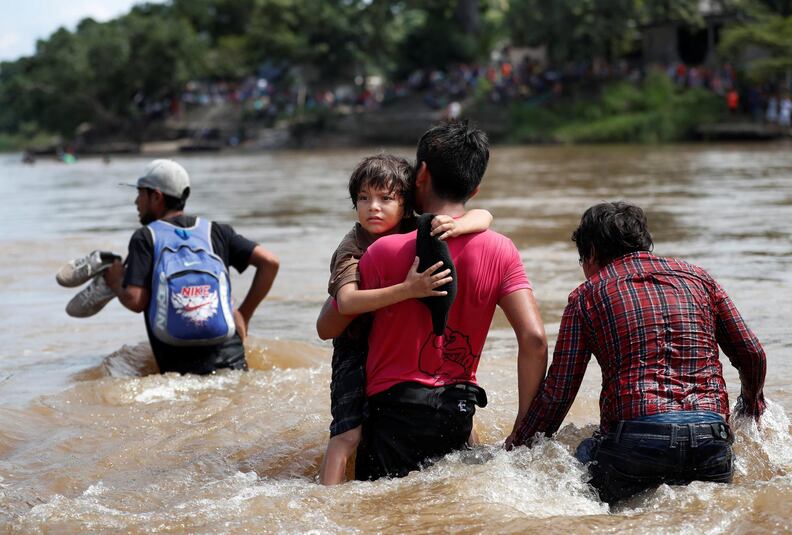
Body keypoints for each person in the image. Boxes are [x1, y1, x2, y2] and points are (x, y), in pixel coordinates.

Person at [318, 121, 549, 481]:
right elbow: (534, 340)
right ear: (475, 187)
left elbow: (329, 326)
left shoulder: (379, 250)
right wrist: (523, 425)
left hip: (393, 413)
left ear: (420, 174)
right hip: (458, 408)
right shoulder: (502, 249)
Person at [506, 202, 767, 504]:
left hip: (636, 445)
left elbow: (559, 393)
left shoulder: (587, 295)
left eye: (582, 260)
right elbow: (752, 353)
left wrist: (517, 450)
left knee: (579, 459)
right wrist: (751, 405)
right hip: (710, 438)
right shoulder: (700, 280)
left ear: (590, 253)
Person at [317, 153, 494, 485]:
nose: (373, 207)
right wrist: (408, 289)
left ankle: (480, 472)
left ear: (406, 204)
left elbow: (485, 215)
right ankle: (327, 501)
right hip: (356, 345)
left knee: (460, 415)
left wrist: (457, 225)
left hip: (396, 341)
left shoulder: (418, 225)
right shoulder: (352, 247)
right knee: (347, 434)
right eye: (364, 198)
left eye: (386, 199)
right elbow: (346, 301)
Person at [104, 159, 280, 375]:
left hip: (177, 369)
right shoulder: (215, 231)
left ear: (156, 196)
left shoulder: (146, 237)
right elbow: (270, 262)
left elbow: (135, 299)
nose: (136, 201)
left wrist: (114, 282)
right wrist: (244, 315)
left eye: (140, 193)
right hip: (232, 360)